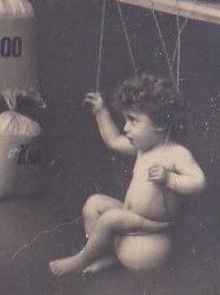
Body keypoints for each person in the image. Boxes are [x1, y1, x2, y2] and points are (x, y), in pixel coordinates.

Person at [49, 73, 205, 276]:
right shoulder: (142, 148)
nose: (125, 128)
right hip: (131, 216)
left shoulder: (176, 153)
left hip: (154, 225)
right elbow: (113, 140)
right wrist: (101, 112)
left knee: (111, 218)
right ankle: (102, 254)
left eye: (132, 120)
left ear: (159, 123)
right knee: (94, 204)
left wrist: (169, 178)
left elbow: (198, 181)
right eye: (125, 120)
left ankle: (80, 260)